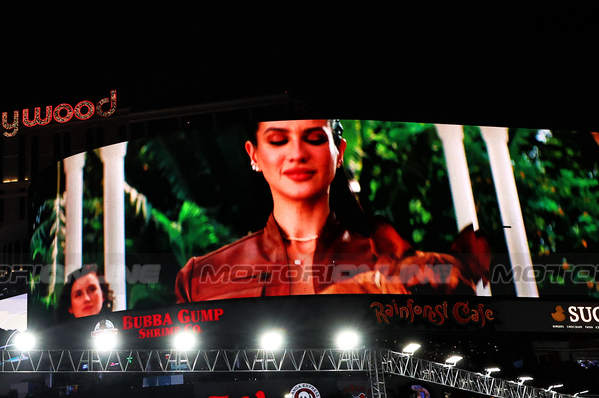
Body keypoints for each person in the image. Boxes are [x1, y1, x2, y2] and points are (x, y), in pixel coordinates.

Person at [175, 119, 487, 302]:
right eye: (278, 140)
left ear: (339, 153)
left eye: (314, 138)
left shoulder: (407, 271)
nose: (296, 153)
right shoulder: (199, 278)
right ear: (253, 155)